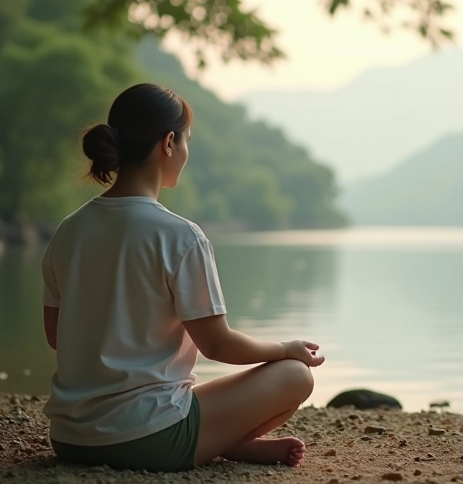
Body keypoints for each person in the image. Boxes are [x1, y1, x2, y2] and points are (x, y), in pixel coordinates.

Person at [41, 83, 325, 472]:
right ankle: (227, 442)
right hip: (151, 440)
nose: (187, 151)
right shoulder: (180, 236)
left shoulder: (68, 231)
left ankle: (226, 442)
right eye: (187, 139)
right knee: (295, 375)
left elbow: (56, 336)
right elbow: (218, 345)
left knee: (183, 395)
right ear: (169, 143)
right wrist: (285, 348)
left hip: (70, 439)